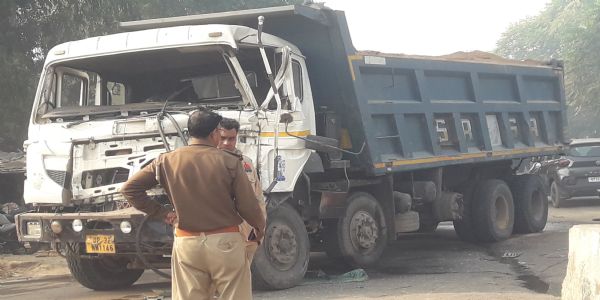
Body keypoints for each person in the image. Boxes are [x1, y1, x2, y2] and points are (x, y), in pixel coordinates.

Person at [120, 109, 266, 300]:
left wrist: (163, 213)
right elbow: (248, 206)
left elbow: (129, 189)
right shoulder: (230, 162)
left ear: (189, 132)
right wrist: (259, 228)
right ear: (214, 133)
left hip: (186, 241)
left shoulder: (165, 161)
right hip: (225, 242)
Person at [218, 118, 266, 262]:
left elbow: (258, 199)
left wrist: (260, 228)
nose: (227, 143)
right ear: (214, 136)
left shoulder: (246, 163)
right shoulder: (209, 163)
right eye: (223, 138)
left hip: (247, 235)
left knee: (244, 280)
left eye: (231, 139)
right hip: (221, 237)